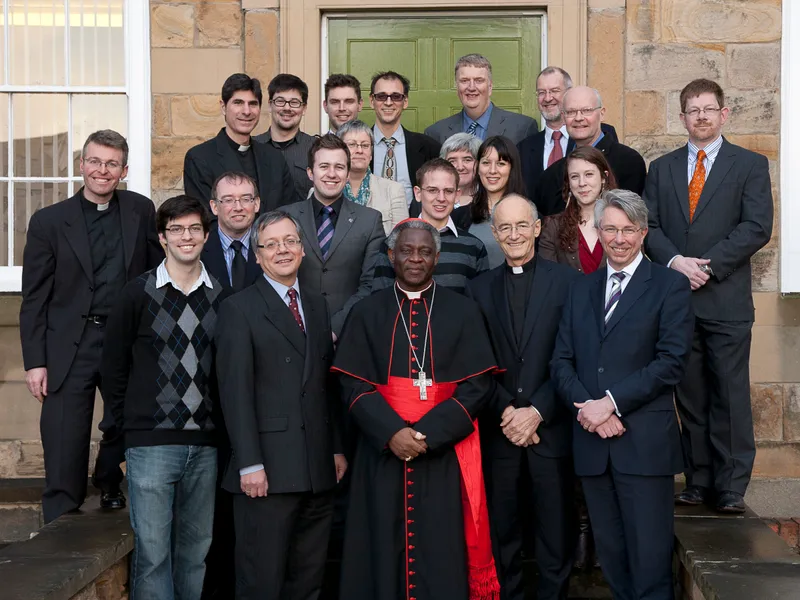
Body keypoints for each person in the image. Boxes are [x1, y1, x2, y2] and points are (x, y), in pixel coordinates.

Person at [332, 218, 501, 600]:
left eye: (425, 252)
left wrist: (429, 434)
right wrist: (392, 432)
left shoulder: (462, 311)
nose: (415, 258)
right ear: (391, 255)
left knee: (442, 548)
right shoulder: (367, 312)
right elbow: (351, 383)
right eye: (406, 250)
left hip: (444, 454)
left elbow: (478, 386)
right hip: (382, 452)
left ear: (437, 258)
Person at [551, 189, 694, 600]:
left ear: (643, 232)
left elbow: (670, 362)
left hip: (643, 446)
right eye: (609, 228)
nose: (618, 238)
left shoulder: (669, 286)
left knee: (650, 565)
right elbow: (561, 361)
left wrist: (609, 403)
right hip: (593, 445)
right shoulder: (581, 289)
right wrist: (588, 409)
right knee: (613, 561)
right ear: (598, 231)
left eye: (627, 230)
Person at [644, 78, 773, 514]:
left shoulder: (750, 164)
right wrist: (677, 262)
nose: (701, 116)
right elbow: (651, 228)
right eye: (692, 110)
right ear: (682, 118)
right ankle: (698, 479)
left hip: (726, 299)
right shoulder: (661, 169)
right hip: (678, 299)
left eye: (708, 108)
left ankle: (731, 485)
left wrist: (708, 265)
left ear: (724, 113)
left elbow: (756, 227)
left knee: (730, 395)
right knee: (691, 395)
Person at [19, 129, 162, 523]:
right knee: (64, 431)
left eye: (112, 164)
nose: (103, 170)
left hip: (125, 338)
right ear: (82, 165)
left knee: (124, 419)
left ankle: (109, 479)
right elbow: (35, 298)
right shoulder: (49, 222)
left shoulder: (140, 210)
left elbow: (154, 276)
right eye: (95, 161)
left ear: (124, 170)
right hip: (70, 343)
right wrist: (35, 362)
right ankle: (61, 513)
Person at [215, 210, 346, 600]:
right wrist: (249, 463)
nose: (282, 250)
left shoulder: (318, 306)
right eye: (271, 244)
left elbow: (327, 384)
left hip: (317, 468)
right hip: (267, 473)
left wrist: (336, 447)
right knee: (262, 582)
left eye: (290, 241)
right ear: (257, 256)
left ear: (303, 250)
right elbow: (234, 393)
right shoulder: (239, 309)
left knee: (308, 581)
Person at [101, 195, 225, 600]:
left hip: (205, 445)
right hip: (150, 443)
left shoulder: (222, 296)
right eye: (176, 229)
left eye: (193, 228)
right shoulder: (135, 294)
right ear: (162, 237)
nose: (185, 237)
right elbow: (114, 370)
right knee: (153, 557)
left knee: (194, 554)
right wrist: (120, 435)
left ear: (207, 234)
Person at [466, 195, 579, 600]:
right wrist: (510, 413)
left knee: (555, 534)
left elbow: (574, 356)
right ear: (495, 234)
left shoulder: (568, 284)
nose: (513, 235)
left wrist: (537, 411)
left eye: (521, 226)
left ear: (536, 228)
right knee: (503, 535)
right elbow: (475, 363)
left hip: (550, 432)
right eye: (504, 228)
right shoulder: (476, 290)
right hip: (500, 434)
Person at [282, 134, 385, 339]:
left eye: (339, 167)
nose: (332, 174)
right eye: (324, 166)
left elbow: (371, 284)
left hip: (350, 334)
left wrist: (336, 329)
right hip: (294, 335)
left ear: (347, 174)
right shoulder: (285, 218)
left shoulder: (370, 220)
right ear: (310, 173)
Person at [372, 159, 489, 294]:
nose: (441, 198)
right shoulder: (394, 243)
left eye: (448, 191)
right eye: (432, 190)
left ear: (457, 195)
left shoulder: (474, 246)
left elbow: (479, 303)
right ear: (418, 193)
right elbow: (381, 301)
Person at [183, 73, 297, 212]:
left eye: (253, 104)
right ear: (223, 107)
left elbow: (289, 212)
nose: (247, 111)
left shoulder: (274, 158)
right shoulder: (200, 158)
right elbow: (205, 219)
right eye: (238, 103)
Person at [536, 86, 646, 218]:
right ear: (564, 117)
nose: (578, 118)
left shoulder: (628, 162)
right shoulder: (552, 174)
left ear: (602, 113)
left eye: (586, 111)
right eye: (571, 112)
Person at [517, 67, 618, 199]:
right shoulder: (523, 147)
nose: (547, 98)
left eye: (554, 91)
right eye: (541, 92)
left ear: (569, 93)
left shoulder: (600, 134)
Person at [368, 70, 441, 212]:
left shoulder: (428, 147)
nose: (388, 102)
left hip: (414, 228)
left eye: (396, 96)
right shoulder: (357, 147)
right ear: (372, 101)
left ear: (405, 101)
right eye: (381, 96)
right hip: (369, 230)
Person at [425, 54, 538, 145]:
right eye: (464, 81)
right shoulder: (436, 133)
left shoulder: (522, 128)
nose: (471, 87)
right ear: (457, 87)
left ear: (490, 87)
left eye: (479, 80)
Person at [539, 146, 617, 274]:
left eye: (589, 174)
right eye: (574, 176)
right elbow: (548, 279)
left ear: (604, 177)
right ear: (568, 182)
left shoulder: (625, 222)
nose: (582, 183)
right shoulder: (553, 226)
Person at [453, 136, 527, 268]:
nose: (492, 171)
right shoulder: (458, 216)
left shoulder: (530, 215)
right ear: (478, 167)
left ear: (512, 169)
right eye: (486, 163)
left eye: (501, 163)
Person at [336, 119, 408, 234]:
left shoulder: (394, 191)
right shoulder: (323, 190)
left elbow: (401, 239)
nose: (359, 150)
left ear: (371, 153)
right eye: (352, 145)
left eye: (365, 145)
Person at [255, 73, 316, 200]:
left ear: (304, 108)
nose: (287, 108)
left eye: (294, 102)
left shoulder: (316, 148)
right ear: (270, 105)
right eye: (280, 101)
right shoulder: (252, 146)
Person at [202, 171, 263, 292]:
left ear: (256, 204)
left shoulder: (272, 246)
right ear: (214, 207)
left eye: (245, 199)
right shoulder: (199, 248)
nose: (238, 208)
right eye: (228, 200)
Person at [441, 132, 482, 208]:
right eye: (452, 161)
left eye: (467, 160)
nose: (460, 167)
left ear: (479, 163)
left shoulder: (489, 197)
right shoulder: (431, 198)